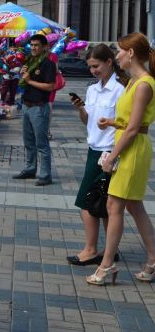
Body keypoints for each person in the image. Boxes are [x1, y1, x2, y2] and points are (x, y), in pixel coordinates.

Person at [86, 32, 155, 286]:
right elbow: (132, 122)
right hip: (130, 146)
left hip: (132, 149)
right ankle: (152, 261)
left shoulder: (144, 84)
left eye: (119, 51)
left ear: (131, 53)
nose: (117, 56)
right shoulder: (136, 83)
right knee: (134, 207)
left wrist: (111, 157)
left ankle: (106, 265)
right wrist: (113, 122)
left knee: (115, 207)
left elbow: (135, 128)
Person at [66, 44, 125, 266]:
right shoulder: (92, 89)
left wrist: (113, 153)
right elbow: (88, 121)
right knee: (103, 204)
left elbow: (126, 124)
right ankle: (109, 249)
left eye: (96, 66)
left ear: (109, 62)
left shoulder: (121, 90)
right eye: (90, 67)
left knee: (89, 202)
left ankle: (91, 250)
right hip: (94, 150)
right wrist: (81, 109)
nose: (93, 71)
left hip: (109, 152)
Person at [13, 34, 56, 186]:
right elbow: (25, 82)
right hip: (26, 105)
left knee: (41, 144)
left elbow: (50, 86)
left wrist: (29, 80)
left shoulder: (48, 64)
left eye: (37, 45)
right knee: (28, 141)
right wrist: (23, 76)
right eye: (31, 45)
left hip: (39, 108)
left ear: (45, 47)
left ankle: (45, 175)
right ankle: (30, 169)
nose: (33, 48)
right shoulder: (30, 61)